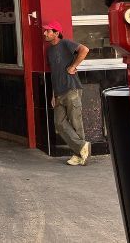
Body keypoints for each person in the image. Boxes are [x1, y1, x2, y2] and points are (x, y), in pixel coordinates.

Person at [43, 20, 91, 165]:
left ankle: (79, 156)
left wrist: (73, 66)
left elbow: (85, 49)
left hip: (72, 89)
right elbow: (53, 73)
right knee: (59, 123)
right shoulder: (49, 50)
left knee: (76, 123)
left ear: (56, 33)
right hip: (58, 92)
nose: (45, 33)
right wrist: (53, 94)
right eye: (45, 31)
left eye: (48, 31)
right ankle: (82, 147)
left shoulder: (65, 44)